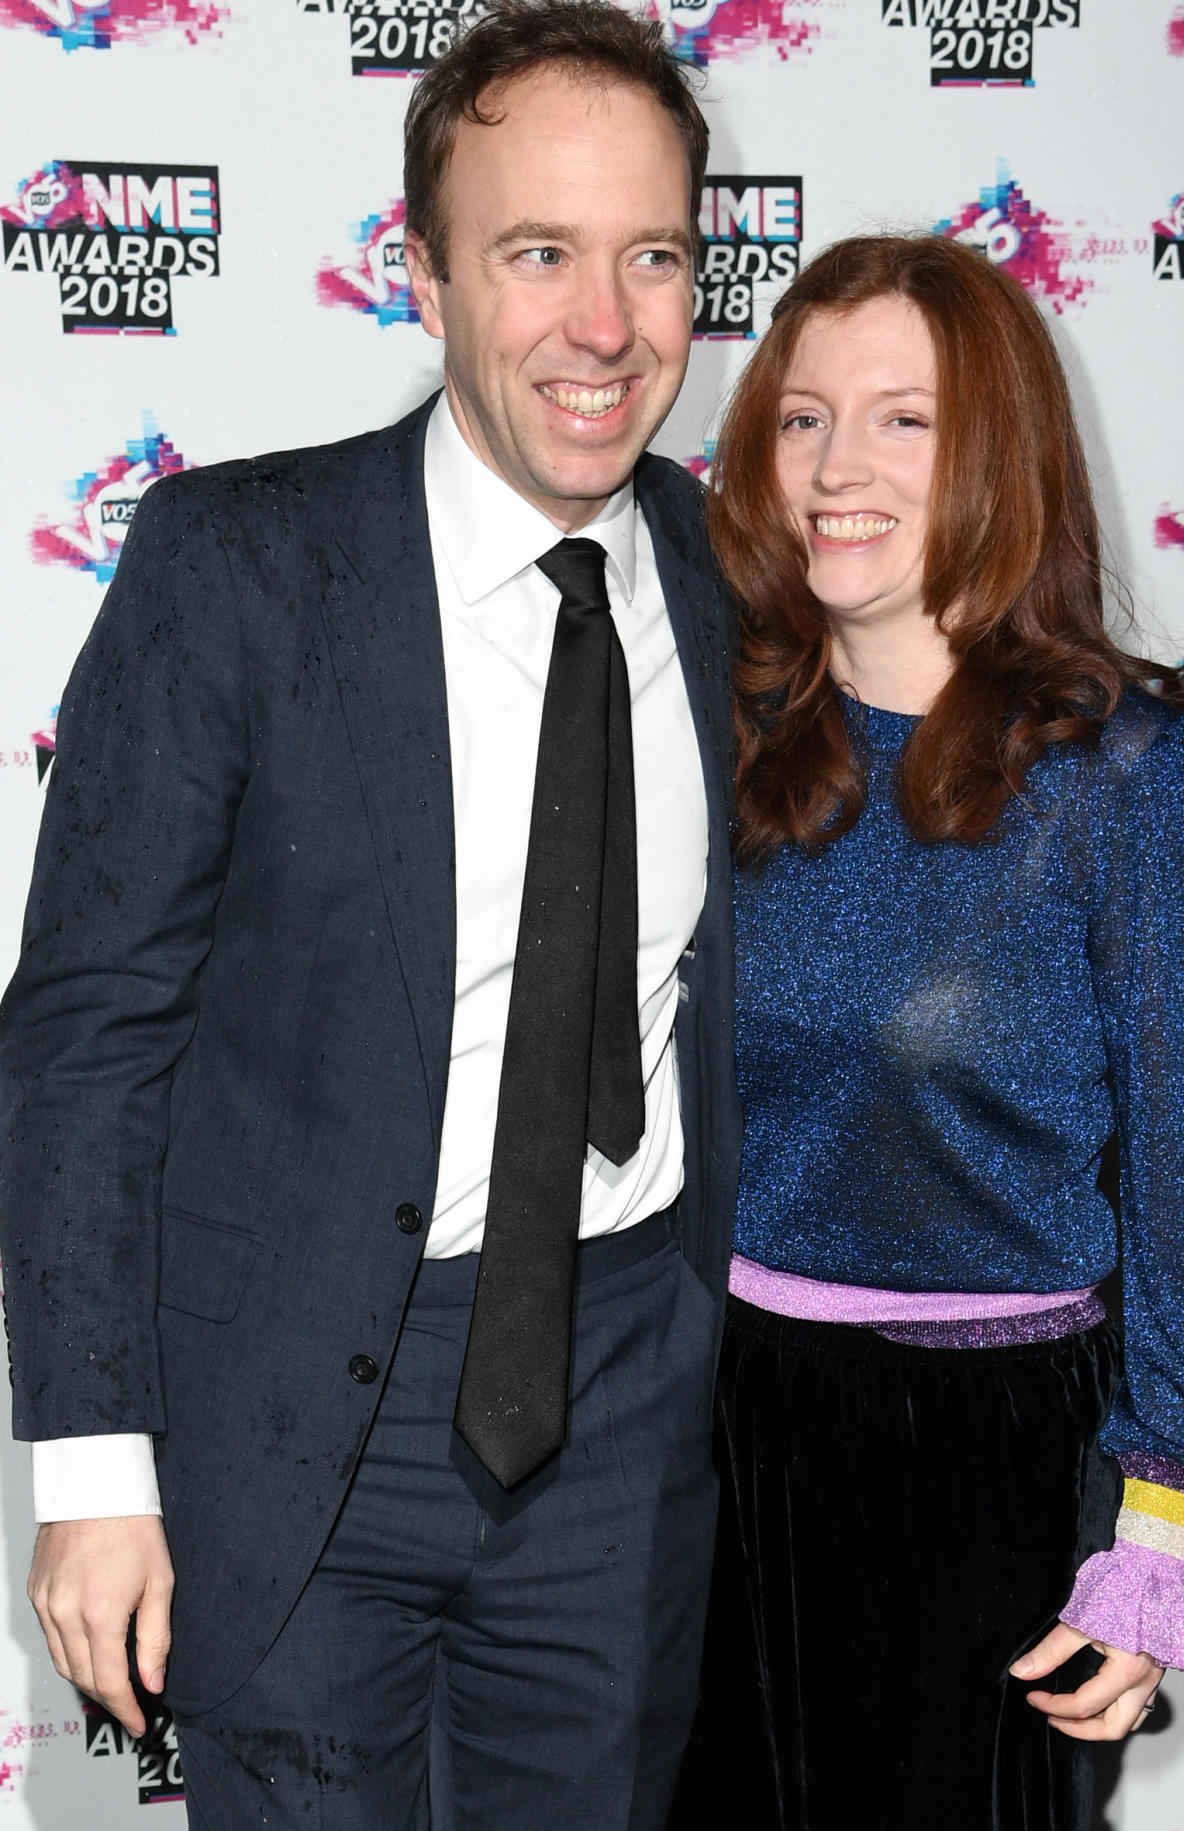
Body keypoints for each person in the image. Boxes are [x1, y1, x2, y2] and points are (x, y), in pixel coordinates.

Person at [0, 6, 740, 1825]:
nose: (604, 324)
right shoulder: (235, 567)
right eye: (536, 253)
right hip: (293, 1409)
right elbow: (90, 1025)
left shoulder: (741, 577)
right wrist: (92, 1464)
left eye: (652, 256)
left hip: (629, 1401)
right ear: (418, 273)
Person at [669, 235, 1184, 1830]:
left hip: (988, 1467)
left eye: (902, 421)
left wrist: (1156, 1534)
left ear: (996, 451)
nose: (835, 468)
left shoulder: (1125, 777)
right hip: (701, 1436)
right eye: (800, 416)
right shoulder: (711, 739)